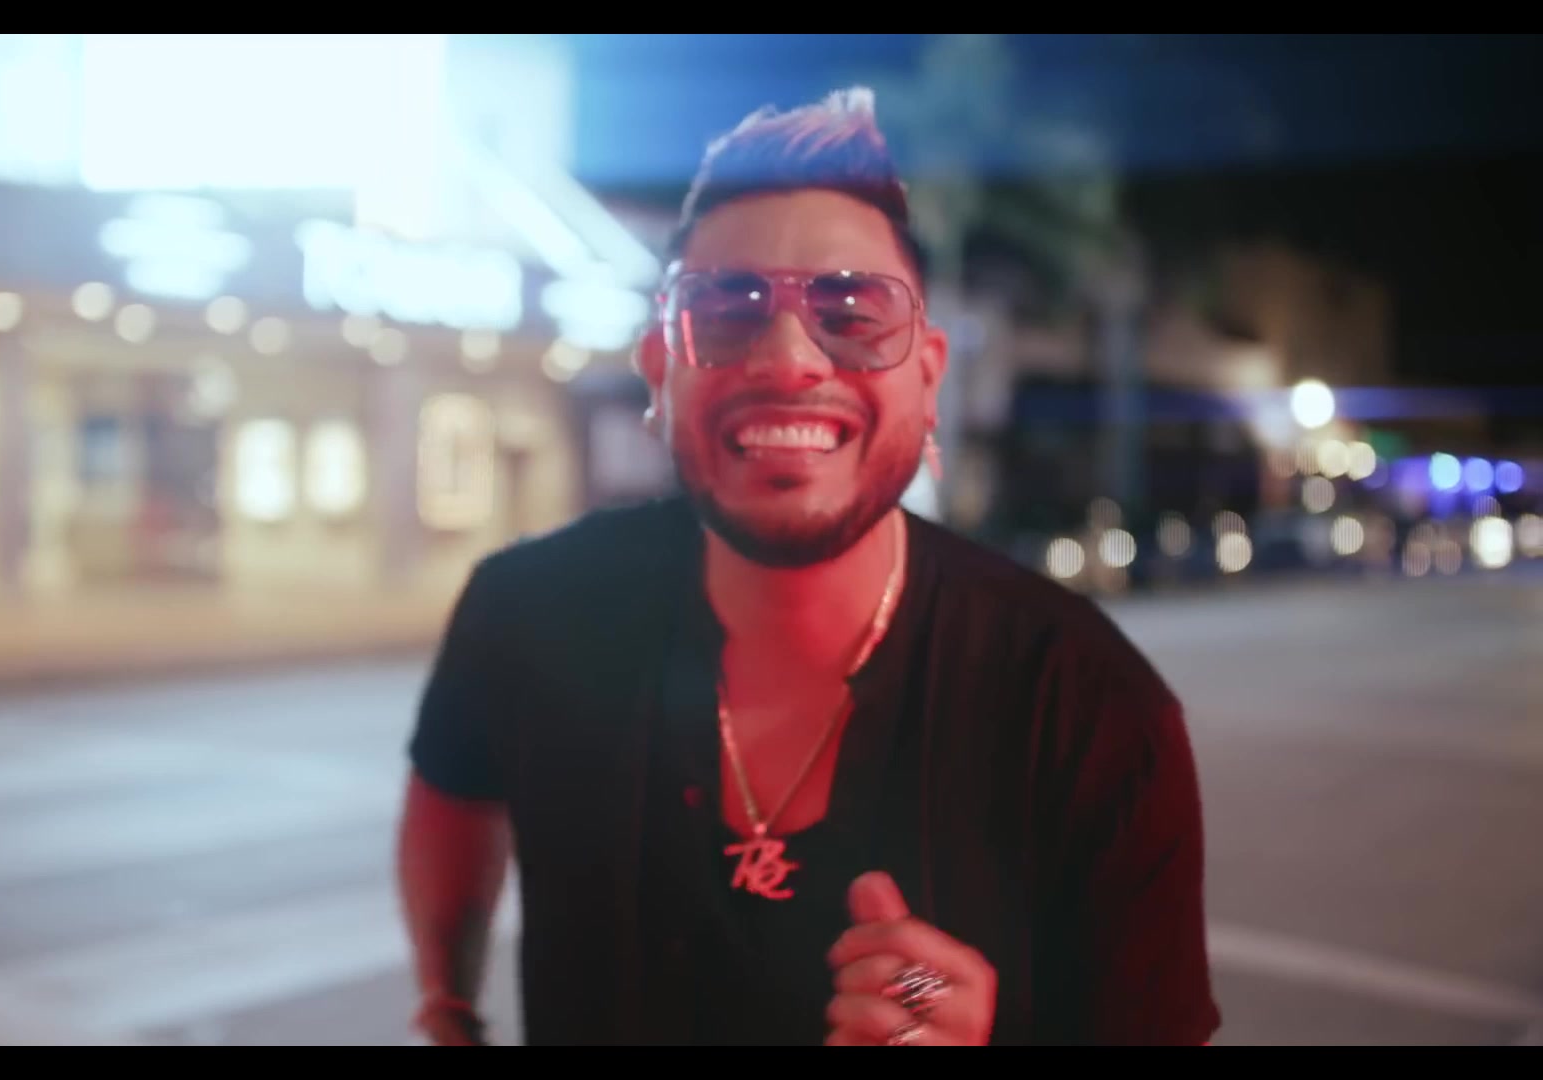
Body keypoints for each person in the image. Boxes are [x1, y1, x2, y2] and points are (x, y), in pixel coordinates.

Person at [396, 86, 1221, 1047]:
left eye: (852, 312)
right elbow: (451, 790)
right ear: (662, 369)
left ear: (929, 373)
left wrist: (966, 1027)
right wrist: (446, 1005)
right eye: (726, 310)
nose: (789, 359)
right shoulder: (526, 612)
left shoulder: (1089, 707)